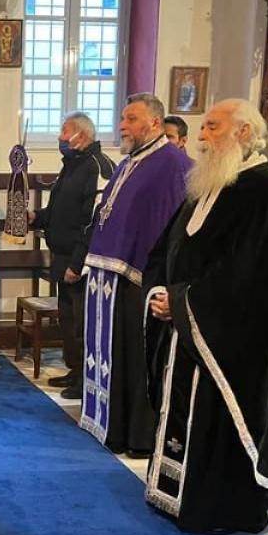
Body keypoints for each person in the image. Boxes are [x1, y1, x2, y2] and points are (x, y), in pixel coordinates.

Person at [143, 98, 268, 533]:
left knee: (219, 419)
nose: (201, 137)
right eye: (203, 127)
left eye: (212, 127)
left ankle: (220, 508)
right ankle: (175, 494)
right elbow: (171, 246)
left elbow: (249, 277)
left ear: (243, 132)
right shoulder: (211, 181)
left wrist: (181, 302)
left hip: (234, 340)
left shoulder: (265, 189)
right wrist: (161, 291)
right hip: (190, 323)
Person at [81, 93, 189, 457]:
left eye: (131, 119)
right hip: (111, 278)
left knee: (137, 361)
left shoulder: (172, 163)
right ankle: (113, 427)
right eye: (122, 118)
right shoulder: (131, 161)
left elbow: (168, 225)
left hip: (139, 280)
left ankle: (138, 435)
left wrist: (160, 278)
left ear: (155, 123)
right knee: (117, 356)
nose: (122, 126)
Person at [28, 112, 115, 399]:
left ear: (82, 134)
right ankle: (75, 370)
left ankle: (87, 380)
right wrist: (35, 217)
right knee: (68, 320)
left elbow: (92, 221)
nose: (60, 137)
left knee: (83, 322)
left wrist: (78, 263)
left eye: (65, 131)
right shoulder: (71, 165)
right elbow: (59, 211)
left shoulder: (97, 167)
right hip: (62, 256)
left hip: (83, 262)